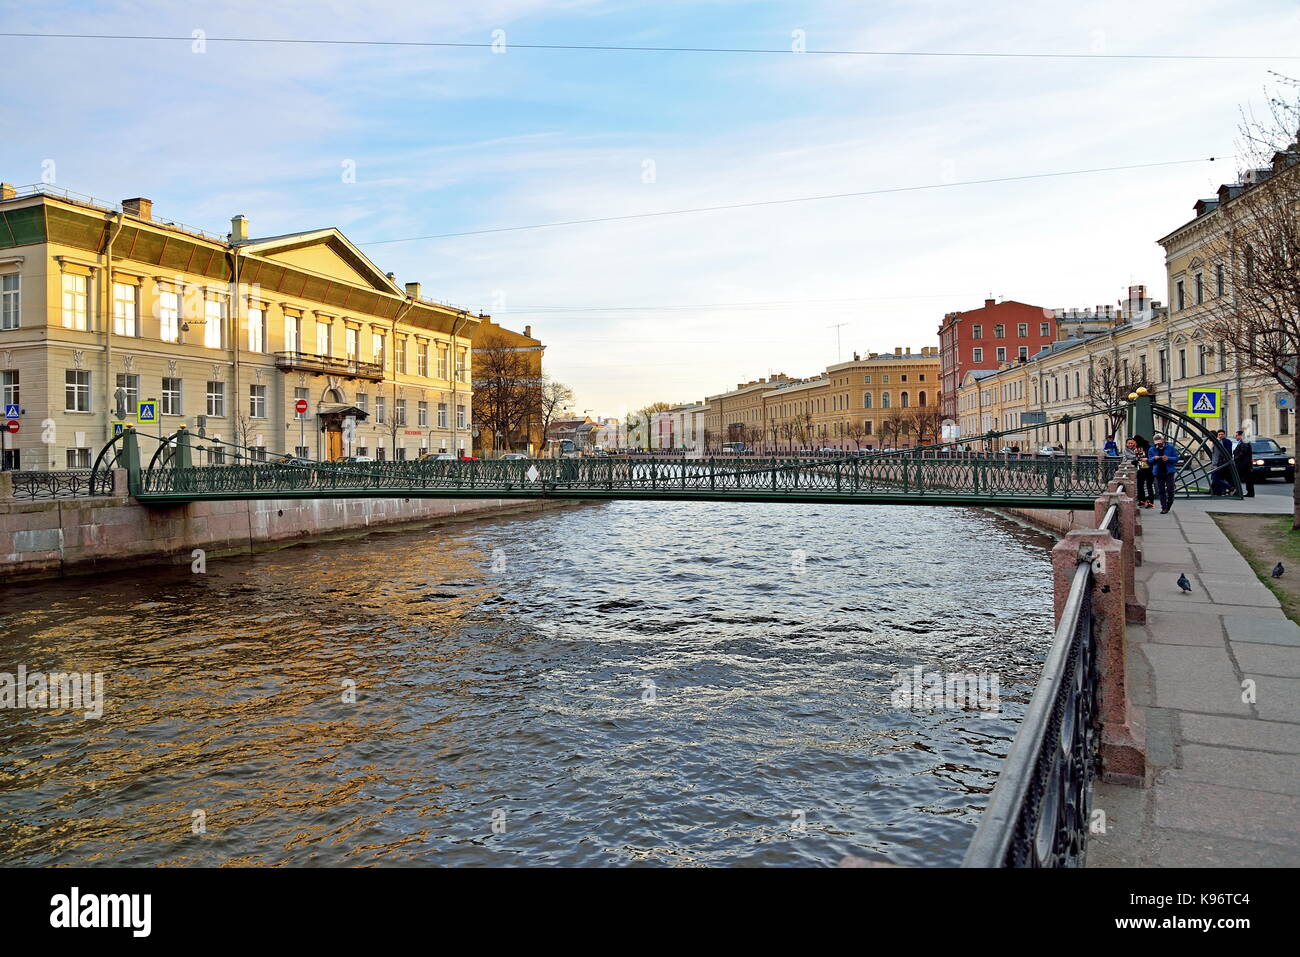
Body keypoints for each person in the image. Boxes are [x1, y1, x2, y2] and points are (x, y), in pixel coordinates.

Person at [1148, 433, 1180, 513]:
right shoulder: (1152, 449)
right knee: (1161, 491)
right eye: (1157, 443)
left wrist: (1168, 458)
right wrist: (1154, 458)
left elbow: (1176, 458)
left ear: (1163, 440)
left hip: (1169, 472)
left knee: (1170, 490)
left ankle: (1169, 504)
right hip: (1158, 472)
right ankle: (1164, 507)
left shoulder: (1170, 447)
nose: (1159, 444)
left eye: (1160, 442)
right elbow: (1150, 461)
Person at [1129, 434, 1154, 507]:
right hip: (1141, 468)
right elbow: (1139, 458)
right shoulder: (1138, 448)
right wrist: (1136, 461)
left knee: (1149, 486)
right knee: (1140, 485)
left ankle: (1151, 502)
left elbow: (1151, 458)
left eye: (1135, 442)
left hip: (1149, 468)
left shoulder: (1149, 447)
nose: (1134, 443)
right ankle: (1142, 501)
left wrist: (1146, 459)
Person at [1211, 429, 1235, 495]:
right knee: (1216, 478)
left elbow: (1218, 455)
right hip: (1219, 464)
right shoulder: (1218, 442)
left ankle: (1230, 488)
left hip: (1218, 464)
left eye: (1222, 434)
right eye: (1219, 434)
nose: (1221, 436)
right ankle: (1216, 491)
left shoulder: (1220, 442)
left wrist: (1215, 465)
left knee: (1216, 479)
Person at [1233, 429, 1255, 498]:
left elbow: (1243, 453)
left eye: (1236, 436)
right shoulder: (1242, 442)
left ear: (1240, 436)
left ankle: (1239, 492)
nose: (1235, 437)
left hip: (1243, 465)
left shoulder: (1244, 442)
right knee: (1247, 479)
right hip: (1245, 464)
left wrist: (1236, 458)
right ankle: (1250, 492)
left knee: (1239, 478)